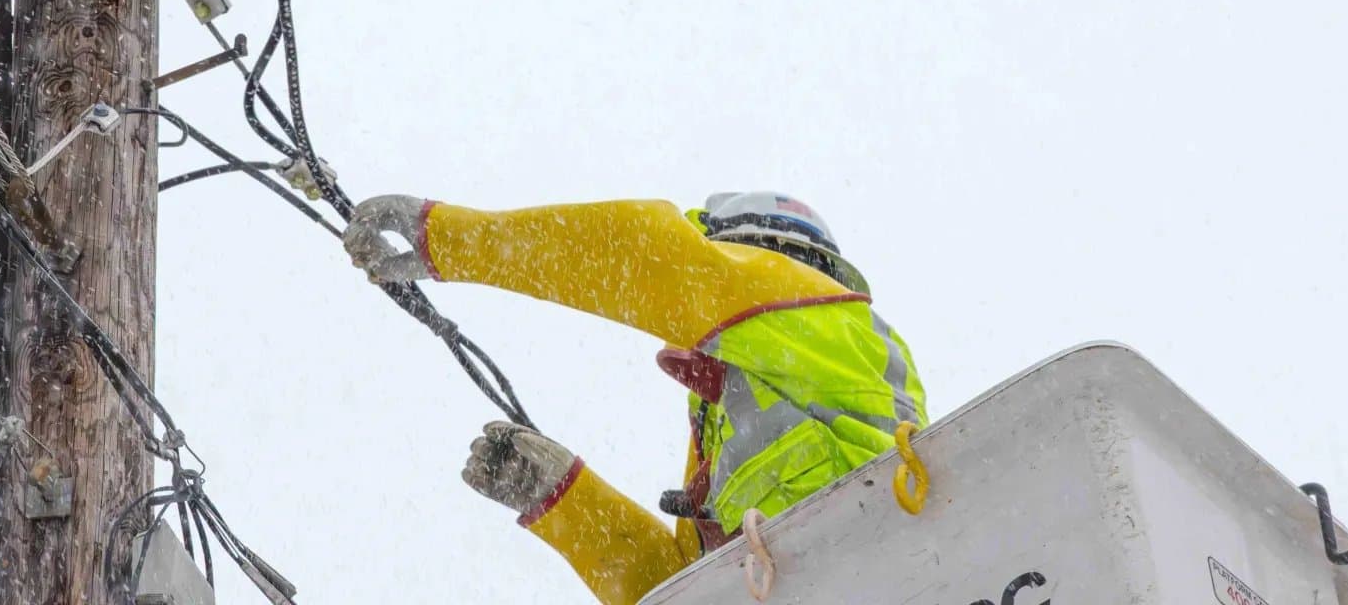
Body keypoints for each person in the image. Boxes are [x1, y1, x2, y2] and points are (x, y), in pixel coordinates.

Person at [343, 192, 926, 605]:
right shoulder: (731, 431)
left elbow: (651, 258)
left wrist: (451, 239)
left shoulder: (825, 322)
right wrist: (567, 501)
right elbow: (685, 591)